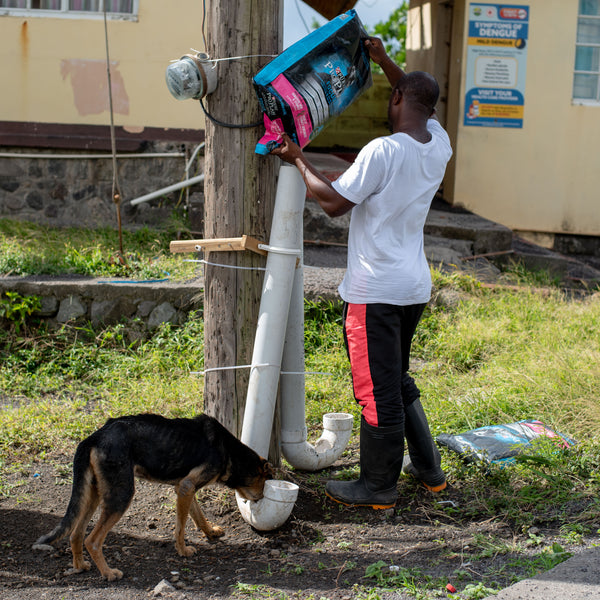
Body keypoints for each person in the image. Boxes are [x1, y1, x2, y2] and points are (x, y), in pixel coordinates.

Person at [271, 37, 453, 509]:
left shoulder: (382, 151)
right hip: (413, 287)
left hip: (375, 293)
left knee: (376, 391)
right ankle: (429, 470)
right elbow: (416, 96)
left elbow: (332, 203)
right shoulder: (439, 146)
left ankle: (378, 487)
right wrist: (385, 62)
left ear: (396, 100)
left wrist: (296, 157)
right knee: (397, 380)